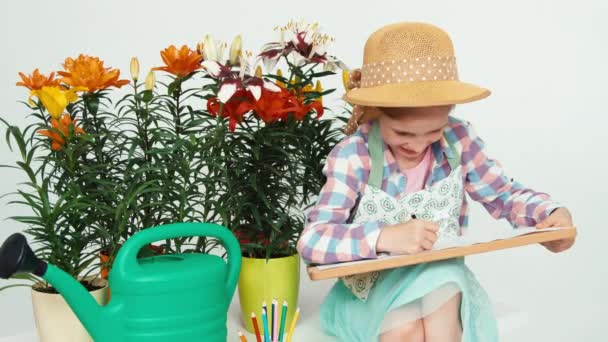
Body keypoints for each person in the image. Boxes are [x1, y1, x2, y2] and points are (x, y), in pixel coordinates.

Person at [296, 22, 575, 342]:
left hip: (440, 280)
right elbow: (313, 241)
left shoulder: (458, 139)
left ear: (449, 115)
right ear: (374, 112)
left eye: (433, 132)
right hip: (371, 293)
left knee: (442, 286)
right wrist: (383, 237)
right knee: (406, 331)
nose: (417, 146)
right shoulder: (354, 155)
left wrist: (548, 216)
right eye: (402, 134)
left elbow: (502, 194)